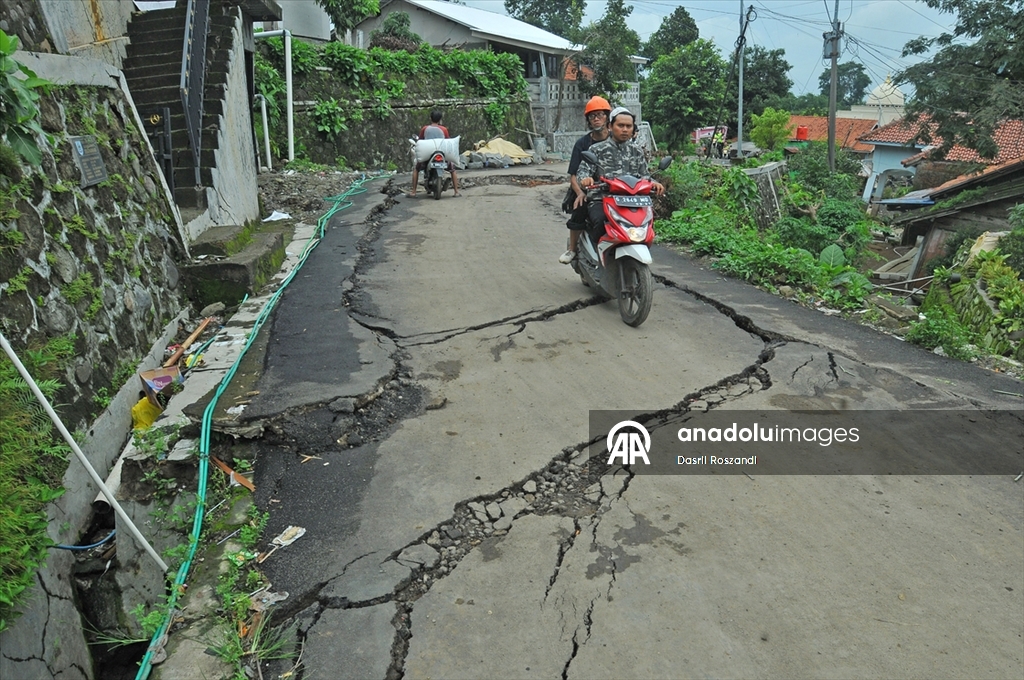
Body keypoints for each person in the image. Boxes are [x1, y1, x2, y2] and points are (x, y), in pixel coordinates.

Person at [577, 106, 665, 234]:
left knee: (647, 226)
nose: (624, 130)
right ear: (610, 127)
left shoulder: (637, 151)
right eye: (620, 125)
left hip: (633, 201)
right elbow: (583, 172)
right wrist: (586, 179)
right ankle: (599, 252)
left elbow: (644, 176)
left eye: (628, 126)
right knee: (601, 221)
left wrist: (654, 183)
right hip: (603, 199)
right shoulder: (597, 150)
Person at [559, 96, 611, 264]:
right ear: (588, 120)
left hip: (613, 189)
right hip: (588, 188)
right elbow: (573, 175)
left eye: (600, 114)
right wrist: (580, 192)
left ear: (607, 117)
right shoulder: (582, 143)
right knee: (579, 208)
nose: (596, 118)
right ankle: (572, 249)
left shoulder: (616, 140)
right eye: (592, 116)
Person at [409, 110, 461, 197]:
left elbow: (420, 141)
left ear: (430, 118)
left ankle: (413, 192)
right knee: (452, 169)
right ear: (440, 120)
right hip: (441, 154)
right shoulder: (444, 129)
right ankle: (456, 191)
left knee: (416, 169)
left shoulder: (425, 129)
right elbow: (447, 141)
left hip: (428, 156)